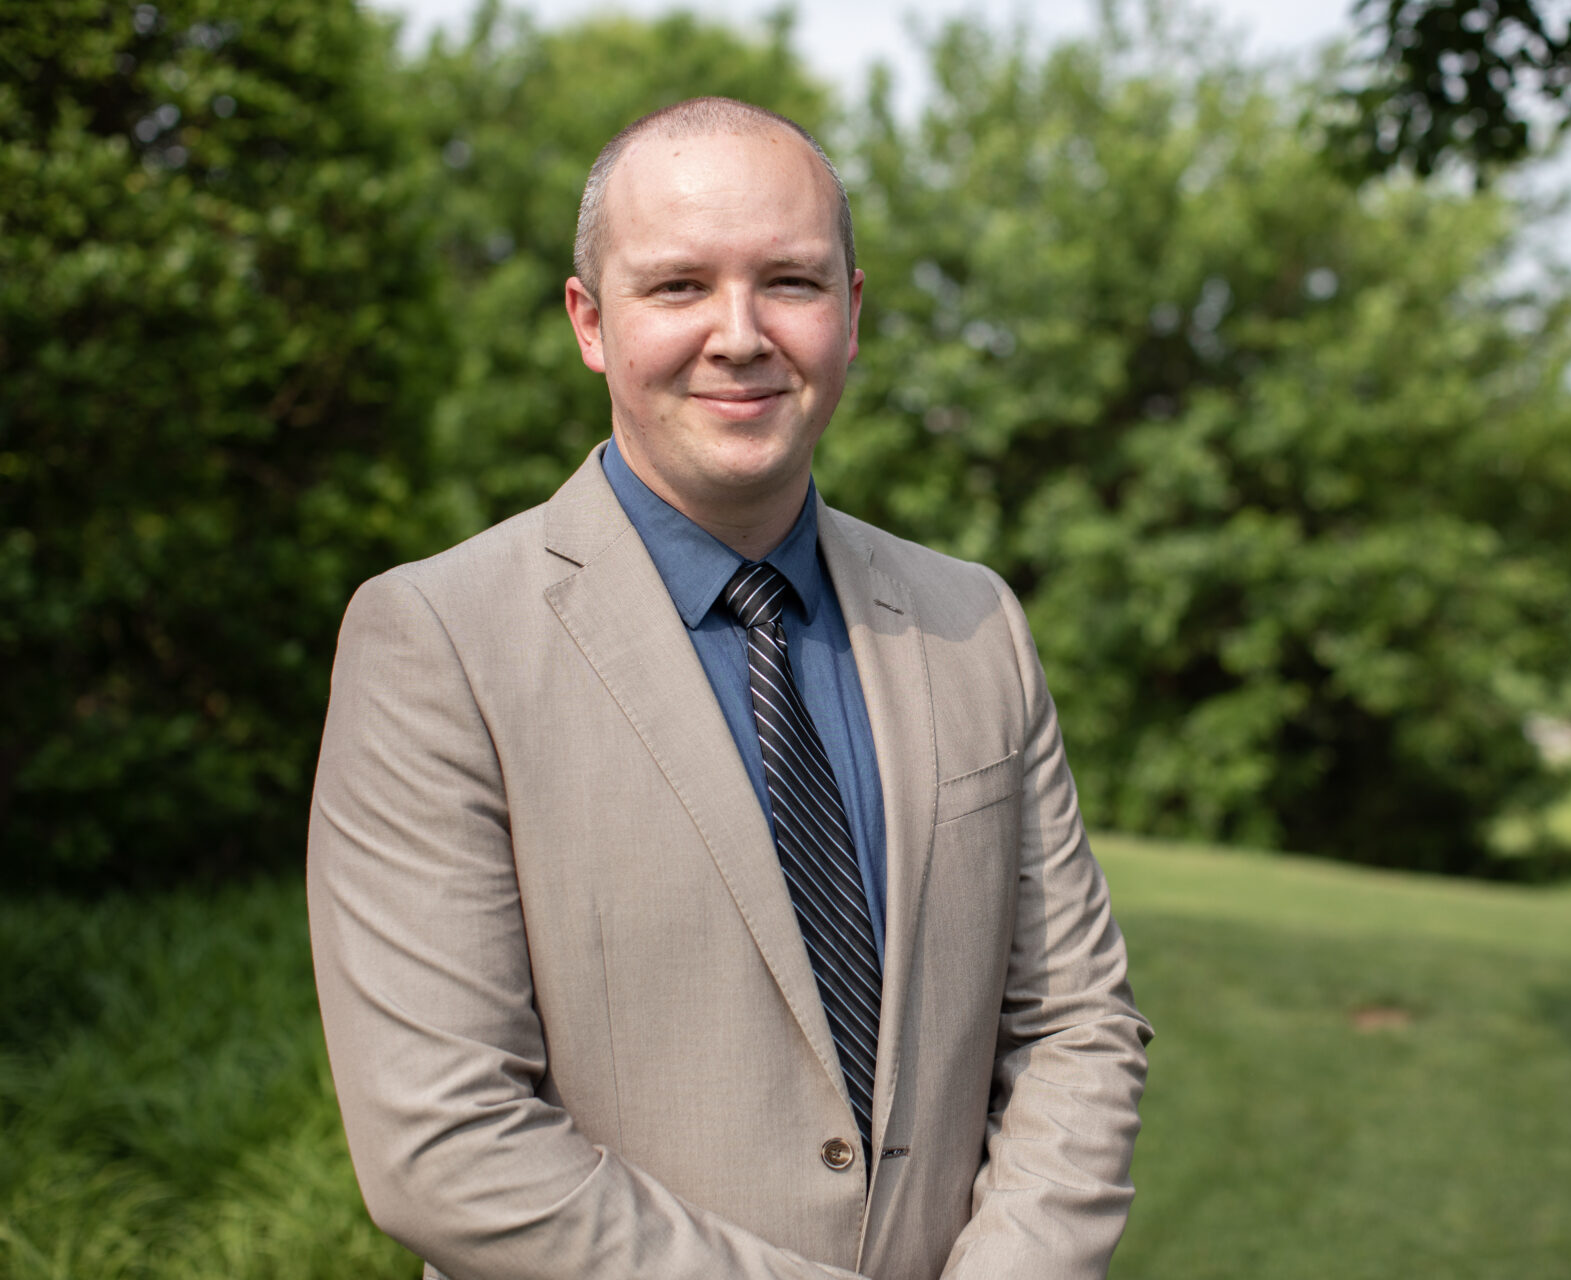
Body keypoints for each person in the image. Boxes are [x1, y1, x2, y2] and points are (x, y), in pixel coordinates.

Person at [307, 96, 1151, 1280]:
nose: (741, 333)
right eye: (680, 286)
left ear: (850, 316)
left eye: (791, 282)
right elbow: (444, 1140)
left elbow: (1076, 1023)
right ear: (591, 322)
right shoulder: (437, 640)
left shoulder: (975, 623)